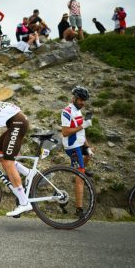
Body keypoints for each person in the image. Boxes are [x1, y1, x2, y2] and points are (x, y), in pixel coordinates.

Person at [61, 86, 95, 218]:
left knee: (92, 151)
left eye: (84, 100)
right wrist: (83, 125)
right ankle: (79, 209)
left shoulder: (78, 111)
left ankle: (82, 167)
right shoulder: (67, 111)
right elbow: (64, 133)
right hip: (72, 147)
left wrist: (87, 147)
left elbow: (81, 132)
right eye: (81, 100)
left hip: (79, 144)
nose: (83, 103)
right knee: (80, 177)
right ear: (74, 98)